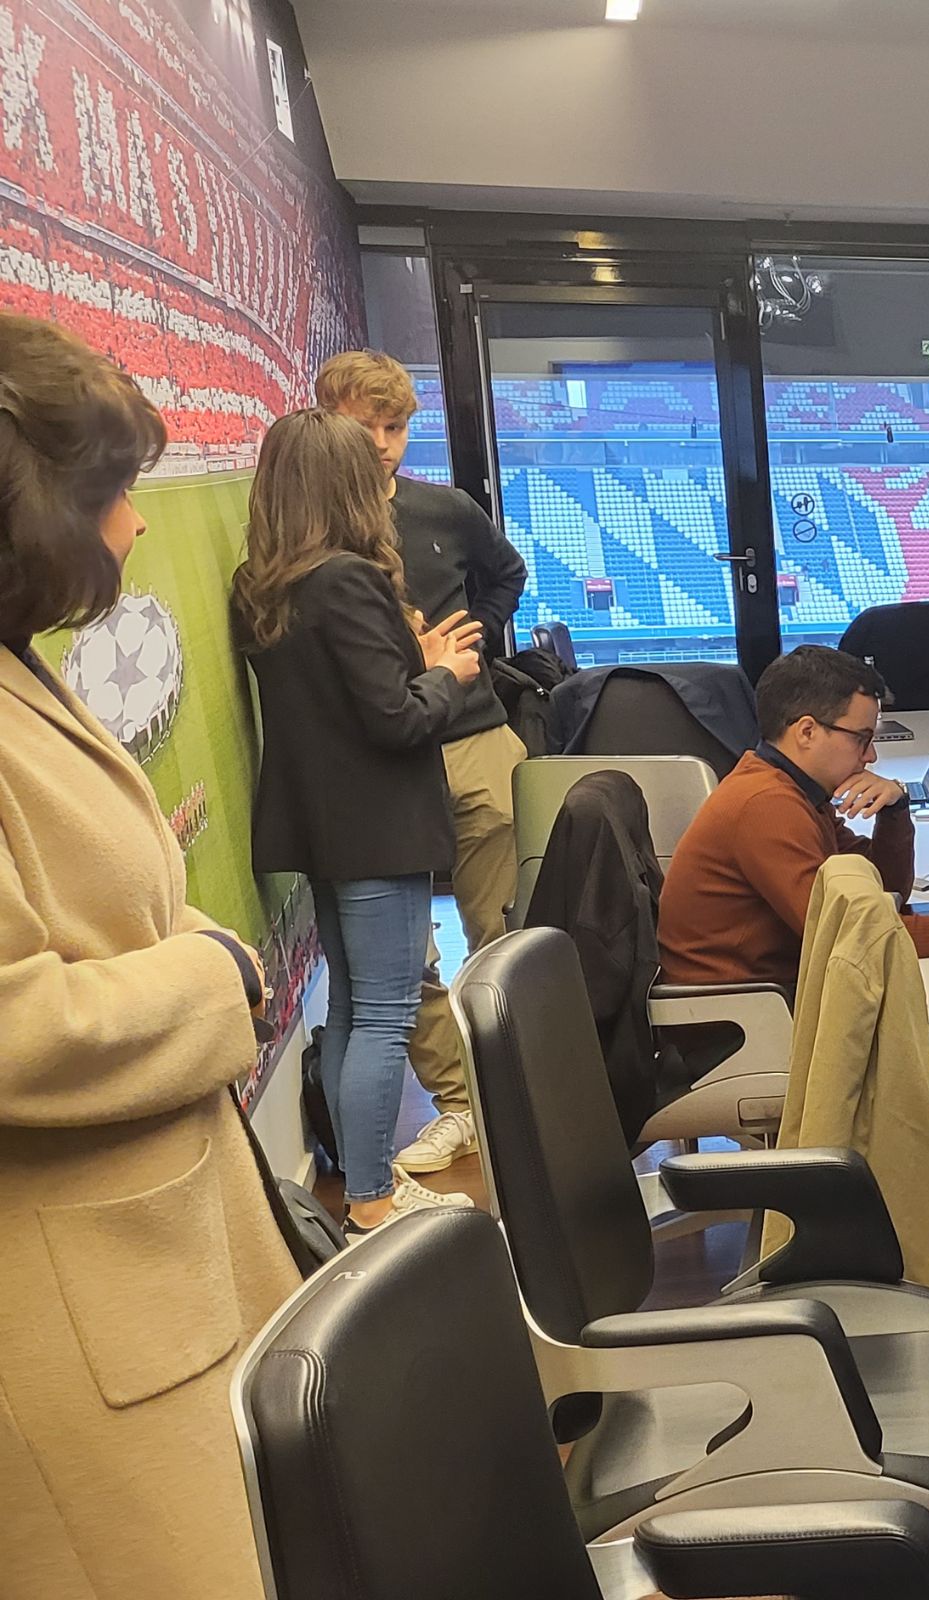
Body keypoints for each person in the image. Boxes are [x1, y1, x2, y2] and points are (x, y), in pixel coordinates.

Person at [0, 313, 295, 1600]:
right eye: (114, 495)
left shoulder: (23, 675)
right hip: (79, 1323)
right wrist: (213, 974)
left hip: (154, 1273)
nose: (131, 528)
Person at [233, 410, 484, 1230]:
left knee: (351, 1006)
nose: (386, 479)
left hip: (325, 825)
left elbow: (340, 699)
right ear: (344, 487)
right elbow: (398, 721)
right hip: (379, 824)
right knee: (383, 1011)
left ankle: (364, 1183)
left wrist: (413, 653)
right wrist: (445, 673)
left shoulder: (263, 583)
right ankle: (374, 1198)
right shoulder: (347, 578)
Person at [316, 350, 528, 1177]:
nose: (379, 442)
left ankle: (524, 1083)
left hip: (476, 739)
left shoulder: (446, 508)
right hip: (381, 759)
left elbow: (506, 572)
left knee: (503, 927)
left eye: (394, 426)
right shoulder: (313, 538)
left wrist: (472, 635)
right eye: (361, 425)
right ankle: (459, 1104)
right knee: (410, 960)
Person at [659, 644, 929, 991]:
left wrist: (896, 811)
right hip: (750, 1017)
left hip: (778, 993)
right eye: (861, 739)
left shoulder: (794, 790)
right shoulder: (766, 805)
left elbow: (884, 893)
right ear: (806, 732)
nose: (872, 756)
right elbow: (855, 937)